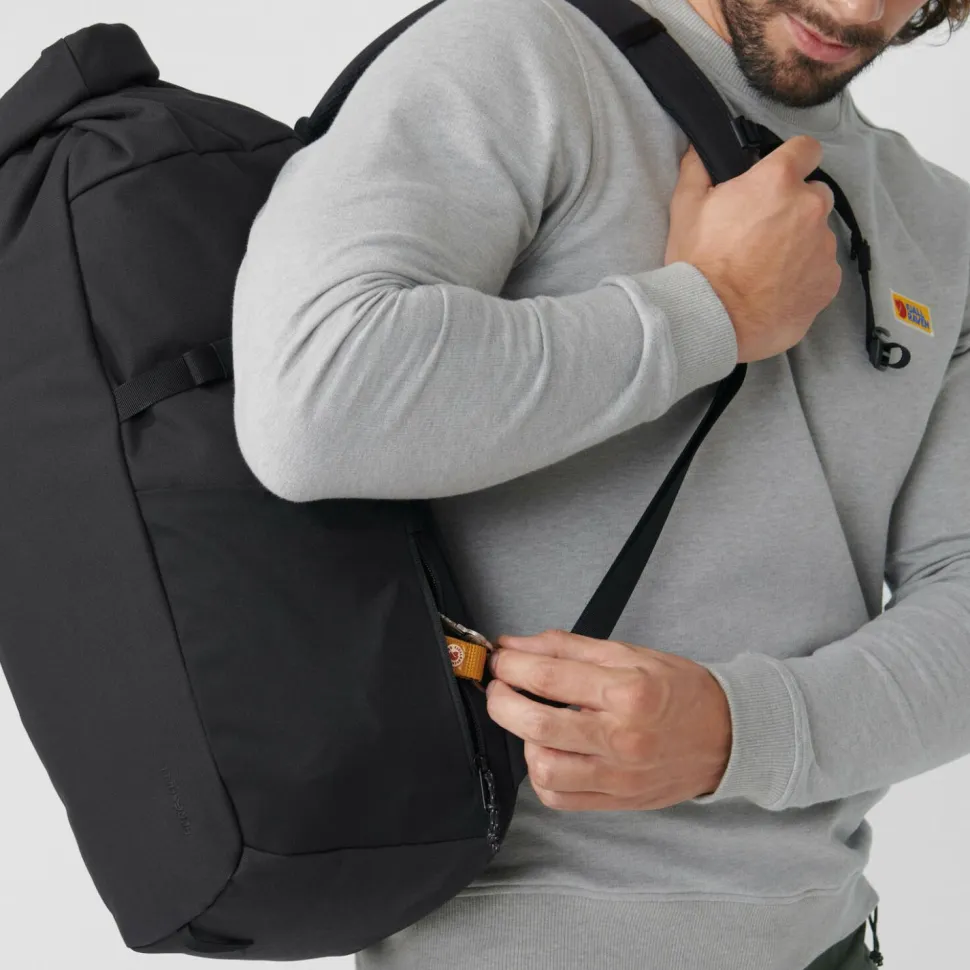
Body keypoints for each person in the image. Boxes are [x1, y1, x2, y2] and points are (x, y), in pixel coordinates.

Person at [230, 0, 970, 965]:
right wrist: (709, 311)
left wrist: (737, 731)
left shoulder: (942, 224)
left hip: (827, 942)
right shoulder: (521, 53)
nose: (858, 8)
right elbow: (310, 406)